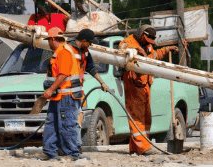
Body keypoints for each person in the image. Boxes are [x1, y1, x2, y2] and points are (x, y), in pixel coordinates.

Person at [41, 28, 109, 160]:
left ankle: (62, 151)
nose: (90, 45)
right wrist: (51, 89)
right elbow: (63, 74)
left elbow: (90, 68)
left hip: (68, 93)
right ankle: (69, 153)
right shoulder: (67, 50)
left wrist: (102, 82)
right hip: (65, 94)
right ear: (83, 41)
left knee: (62, 123)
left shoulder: (78, 52)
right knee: (63, 124)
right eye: (89, 43)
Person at [119, 25, 179, 155]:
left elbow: (154, 56)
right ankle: (143, 148)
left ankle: (137, 147)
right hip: (134, 85)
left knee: (146, 117)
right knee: (137, 117)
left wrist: (167, 49)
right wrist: (135, 50)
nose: (149, 44)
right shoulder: (128, 42)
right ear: (142, 35)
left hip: (145, 85)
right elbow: (121, 49)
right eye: (147, 40)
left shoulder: (148, 46)